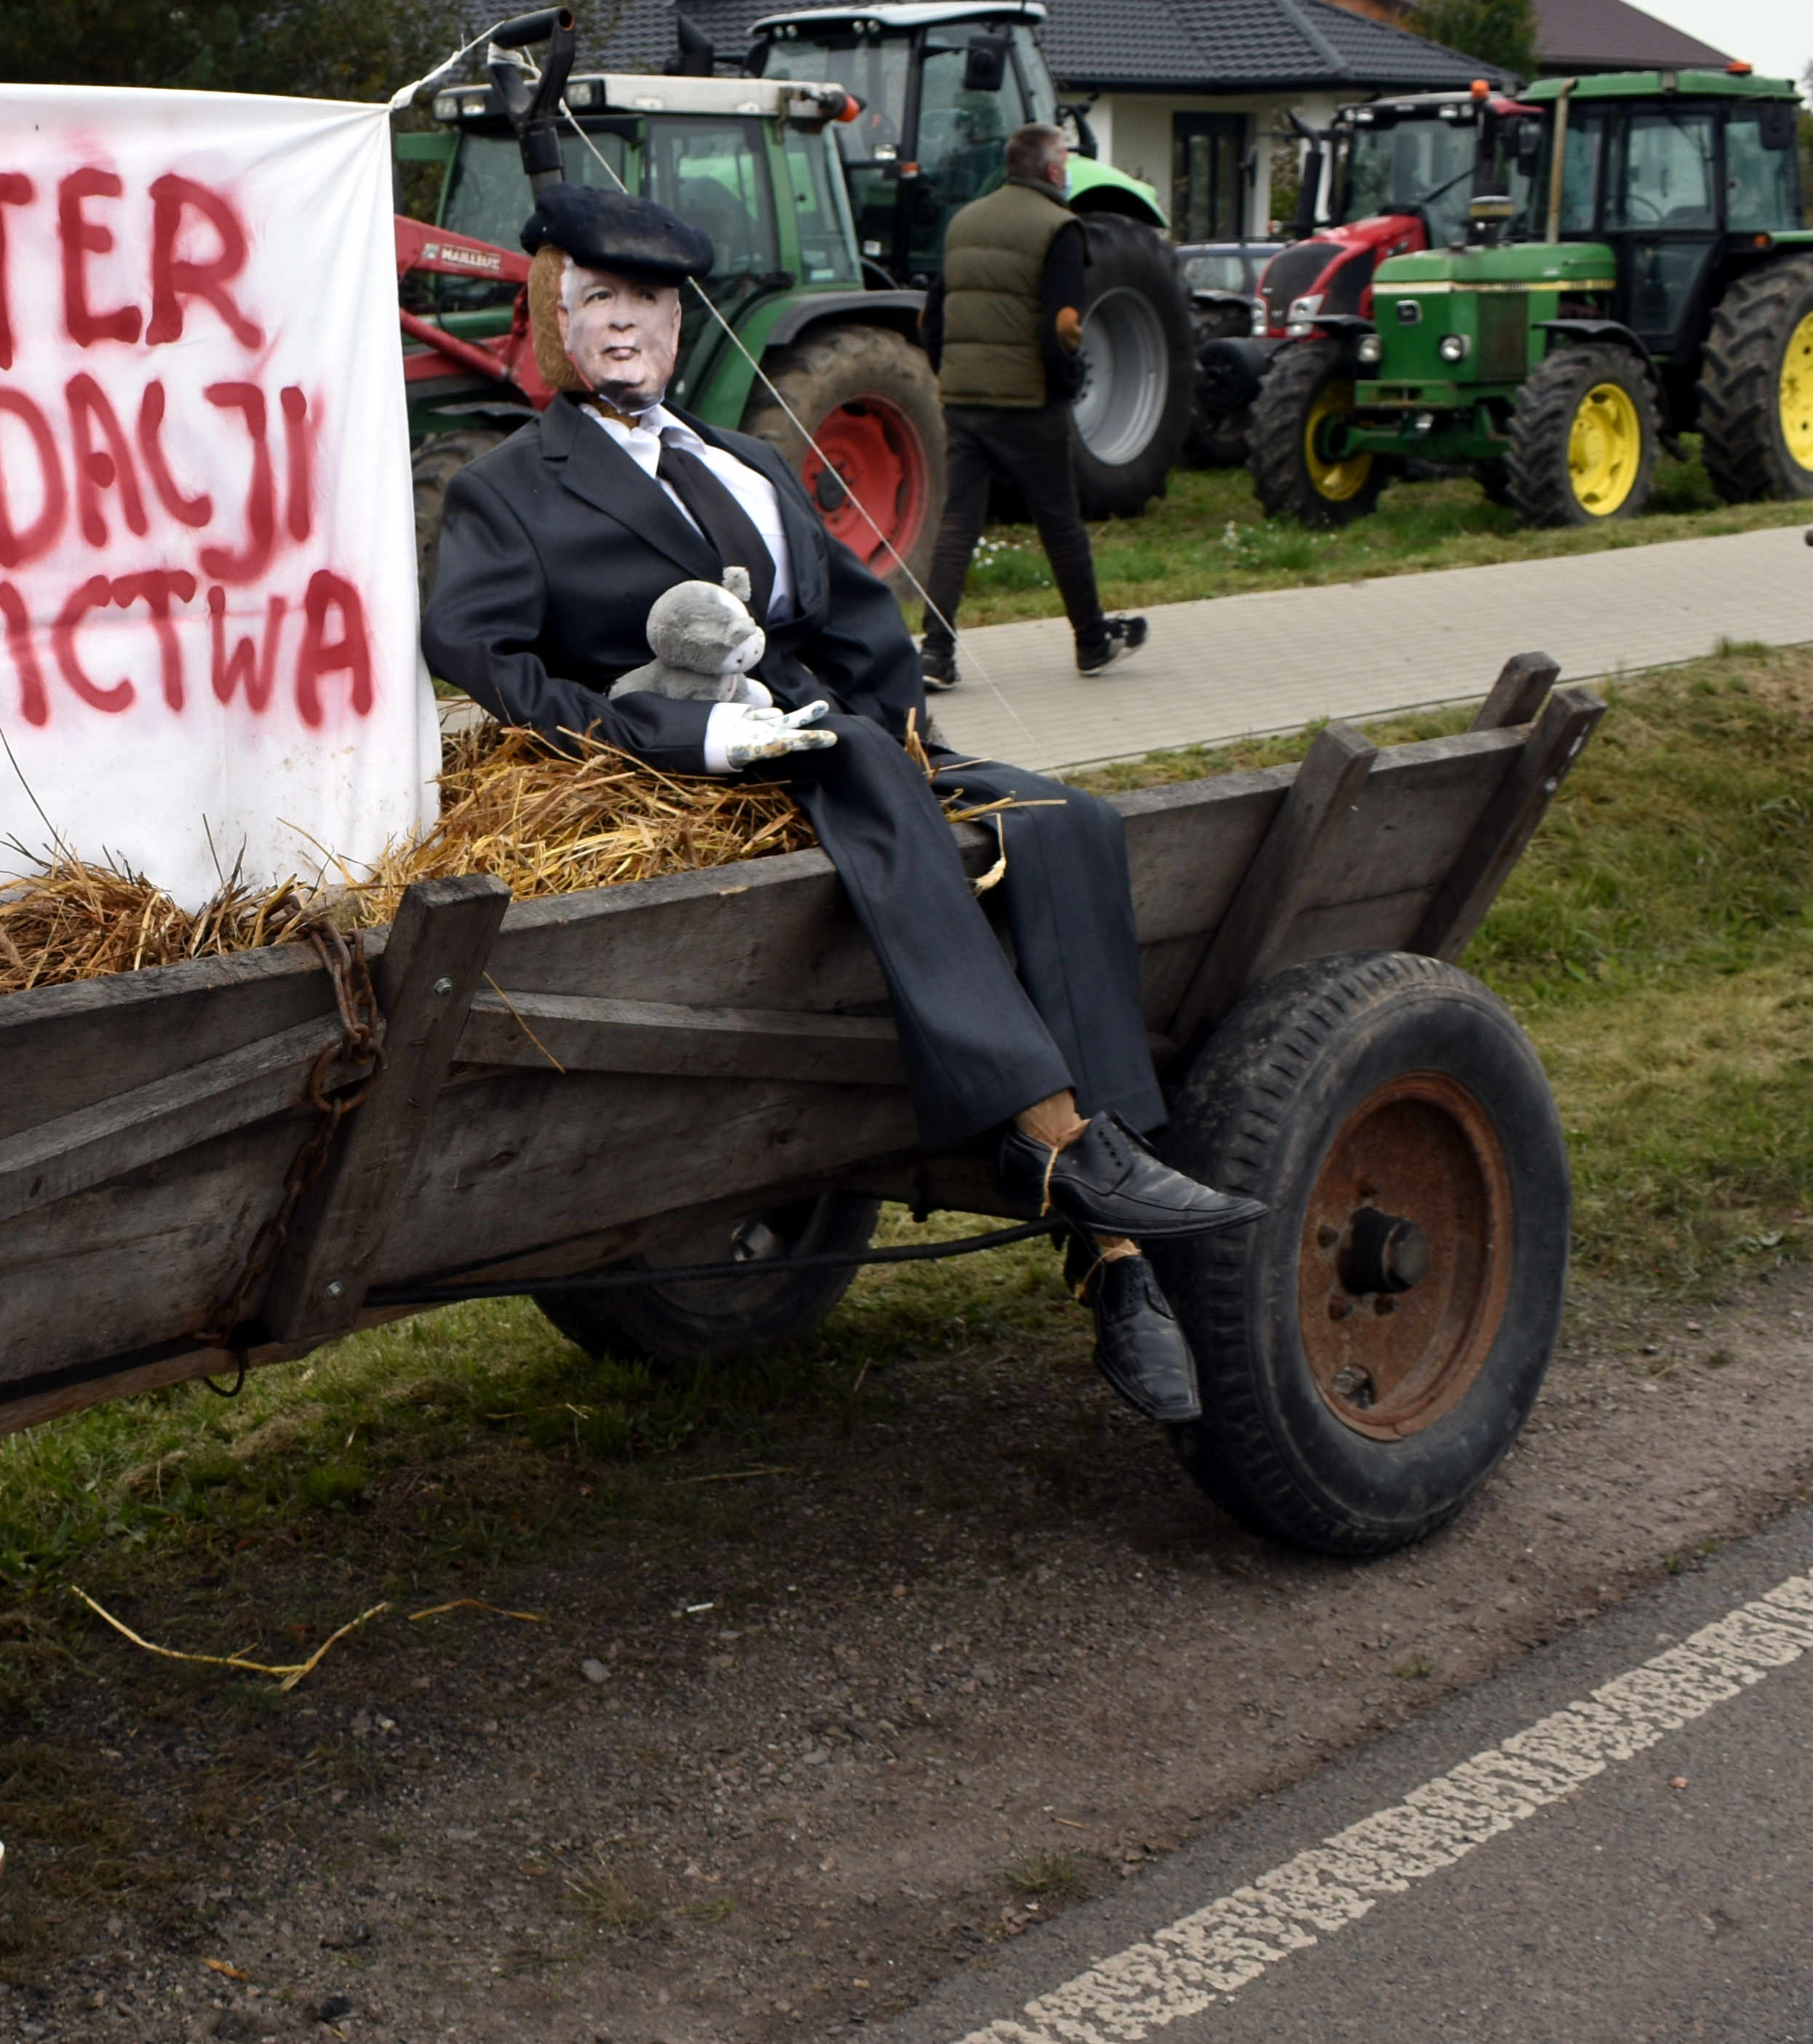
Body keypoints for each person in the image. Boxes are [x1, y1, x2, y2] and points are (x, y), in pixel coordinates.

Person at [421, 188, 1262, 1423]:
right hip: (677, 759)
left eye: (647, 301)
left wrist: (923, 746)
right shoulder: (514, 487)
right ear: (552, 316)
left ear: (678, 318)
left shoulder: (748, 461)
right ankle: (1069, 1159)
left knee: (1058, 816)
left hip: (827, 734)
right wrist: (684, 730)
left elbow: (855, 625)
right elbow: (481, 657)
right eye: (595, 298)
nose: (624, 326)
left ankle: (1106, 1233)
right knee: (857, 763)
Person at [917, 123, 1149, 691]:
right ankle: (1092, 643)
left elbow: (931, 318)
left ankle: (936, 654)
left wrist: (951, 373)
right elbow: (1065, 324)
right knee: (1059, 524)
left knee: (957, 526)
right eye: (1065, 161)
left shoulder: (965, 221)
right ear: (1050, 171)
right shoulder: (1060, 227)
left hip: (965, 399)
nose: (1067, 171)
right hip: (1028, 401)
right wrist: (1066, 381)